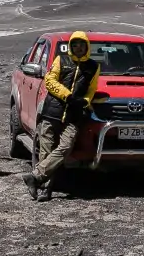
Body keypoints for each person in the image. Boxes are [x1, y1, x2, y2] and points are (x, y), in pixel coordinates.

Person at [25, 31, 104, 200]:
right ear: (71, 46)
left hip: (74, 116)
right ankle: (45, 191)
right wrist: (67, 95)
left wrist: (85, 101)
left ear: (86, 46)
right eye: (75, 45)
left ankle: (35, 177)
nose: (78, 48)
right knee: (46, 151)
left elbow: (92, 89)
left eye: (81, 45)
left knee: (65, 147)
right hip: (52, 112)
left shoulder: (93, 67)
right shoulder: (61, 60)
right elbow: (50, 81)